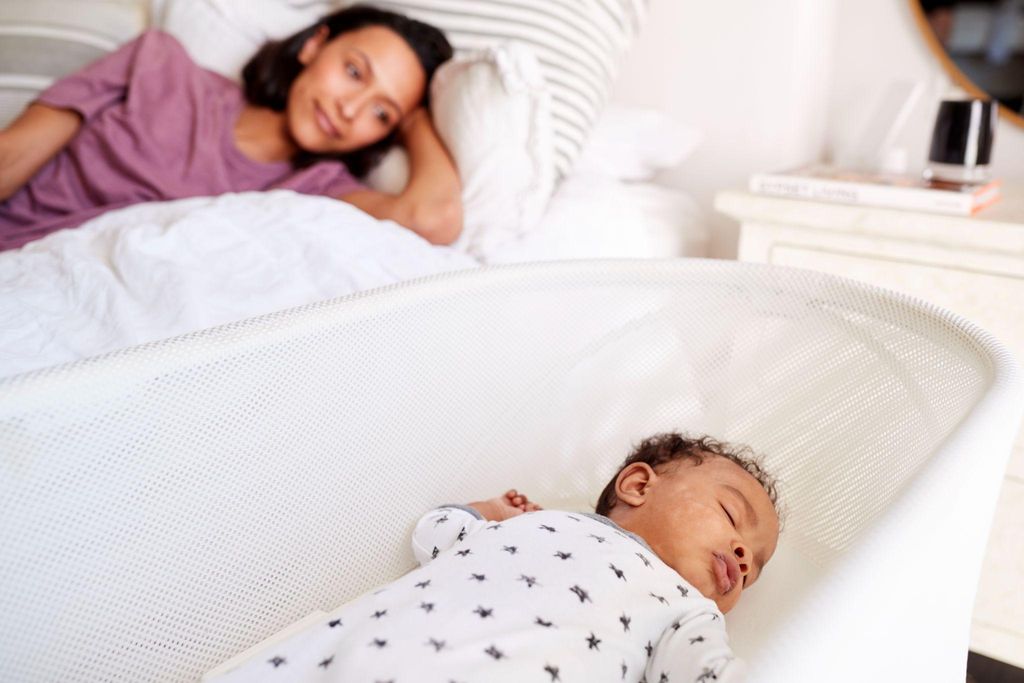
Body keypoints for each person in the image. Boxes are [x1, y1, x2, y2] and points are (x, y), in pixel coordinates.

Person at [210, 433, 781, 682]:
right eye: (733, 517)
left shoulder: (686, 609)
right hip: (381, 646)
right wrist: (487, 513)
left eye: (753, 566)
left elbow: (706, 671)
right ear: (636, 485)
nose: (743, 558)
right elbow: (436, 535)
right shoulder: (541, 522)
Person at [0, 5, 461, 252]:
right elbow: (12, 154)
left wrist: (416, 120)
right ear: (314, 45)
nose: (349, 109)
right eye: (355, 73)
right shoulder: (159, 63)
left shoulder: (317, 190)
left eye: (380, 114)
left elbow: (433, 219)